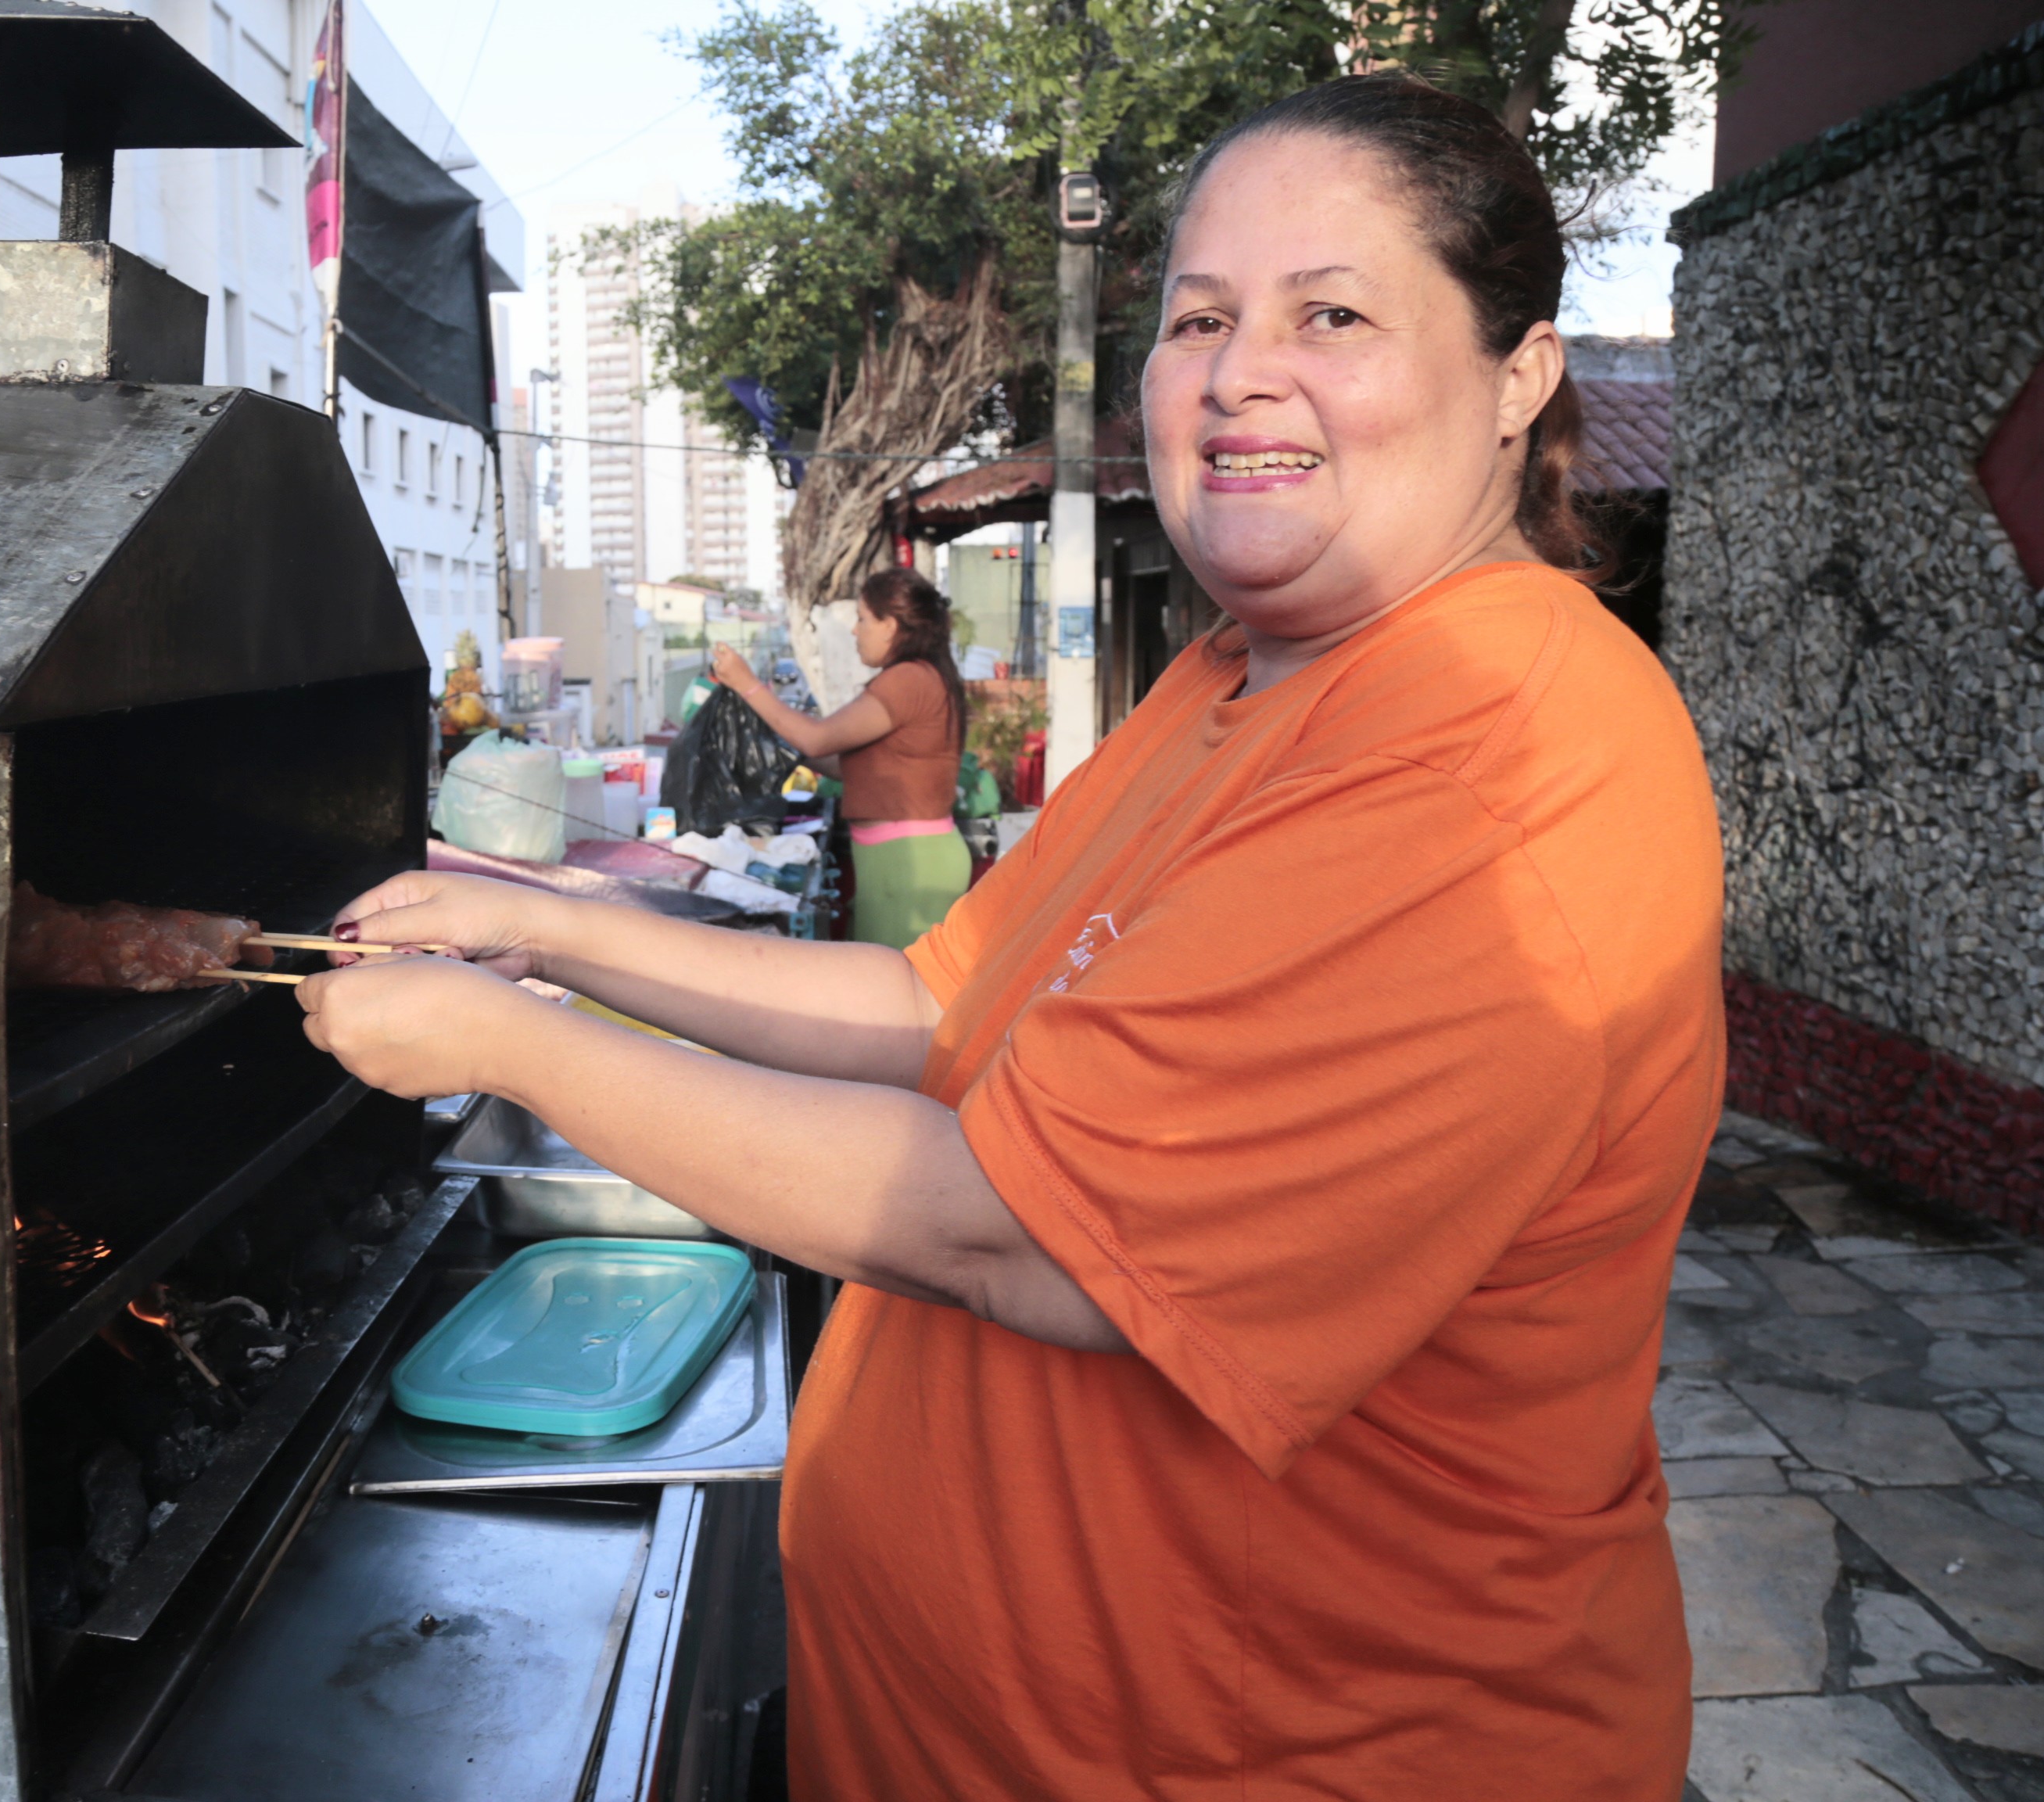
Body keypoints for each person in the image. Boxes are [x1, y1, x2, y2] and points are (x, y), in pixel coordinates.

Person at [296, 72, 1719, 1800]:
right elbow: (927, 1002)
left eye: (1330, 314)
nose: (1241, 371)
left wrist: (511, 1041)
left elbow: (1025, 1244)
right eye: (1200, 317)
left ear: (1519, 378)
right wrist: (553, 929)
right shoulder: (1232, 685)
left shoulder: (1500, 742)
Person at [705, 570, 970, 946]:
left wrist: (748, 685)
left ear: (890, 626)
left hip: (911, 864)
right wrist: (777, 746)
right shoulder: (922, 677)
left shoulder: (909, 679)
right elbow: (845, 764)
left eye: (862, 619)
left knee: (893, 994)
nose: (854, 631)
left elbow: (817, 739)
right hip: (897, 860)